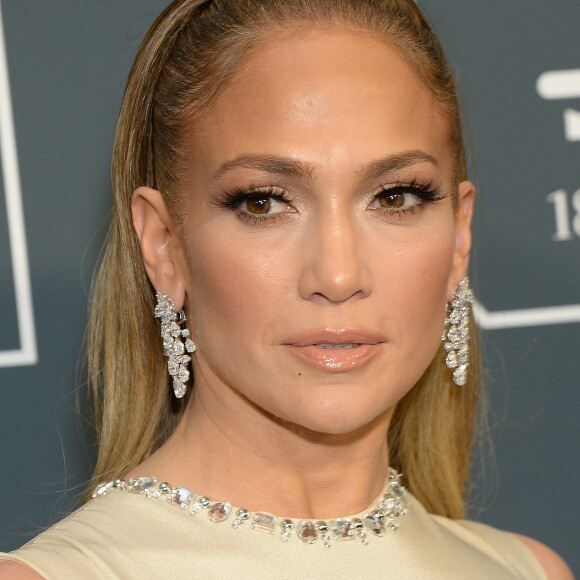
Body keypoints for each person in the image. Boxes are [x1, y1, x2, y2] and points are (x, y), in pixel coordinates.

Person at [0, 0, 573, 578]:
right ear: (163, 246)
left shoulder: (529, 571)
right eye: (263, 202)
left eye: (395, 197)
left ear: (458, 238)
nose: (339, 276)